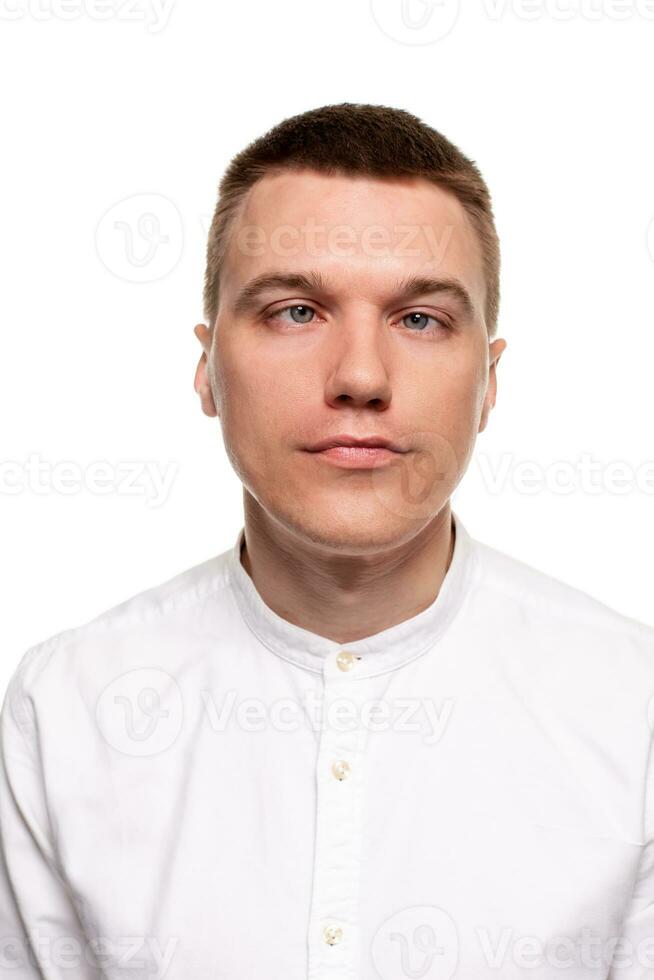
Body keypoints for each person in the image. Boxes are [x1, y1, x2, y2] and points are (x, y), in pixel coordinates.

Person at [1, 102, 653, 980]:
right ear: (207, 368)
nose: (359, 377)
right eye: (296, 311)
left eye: (420, 318)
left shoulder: (633, 711)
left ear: (491, 379)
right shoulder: (66, 712)